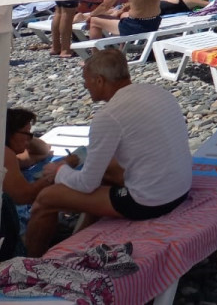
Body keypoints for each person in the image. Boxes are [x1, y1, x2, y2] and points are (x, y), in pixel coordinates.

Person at [24, 50, 193, 257]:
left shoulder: (108, 116)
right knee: (105, 170)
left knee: (46, 198)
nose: (85, 86)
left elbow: (87, 184)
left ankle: (31, 262)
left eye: (86, 81)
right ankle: (82, 235)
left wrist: (58, 172)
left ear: (100, 80)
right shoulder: (157, 92)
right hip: (180, 187)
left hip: (150, 201)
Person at [4, 108, 65, 243]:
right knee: (50, 199)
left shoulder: (10, 155)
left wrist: (23, 135)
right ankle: (31, 255)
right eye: (27, 133)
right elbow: (25, 196)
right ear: (9, 132)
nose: (29, 137)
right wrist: (53, 174)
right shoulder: (4, 153)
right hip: (9, 232)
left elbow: (43, 150)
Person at [86, 0, 161, 40]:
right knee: (124, 15)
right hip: (154, 23)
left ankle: (95, 57)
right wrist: (122, 9)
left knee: (94, 20)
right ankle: (122, 50)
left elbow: (104, 6)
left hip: (135, 27)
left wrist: (91, 15)